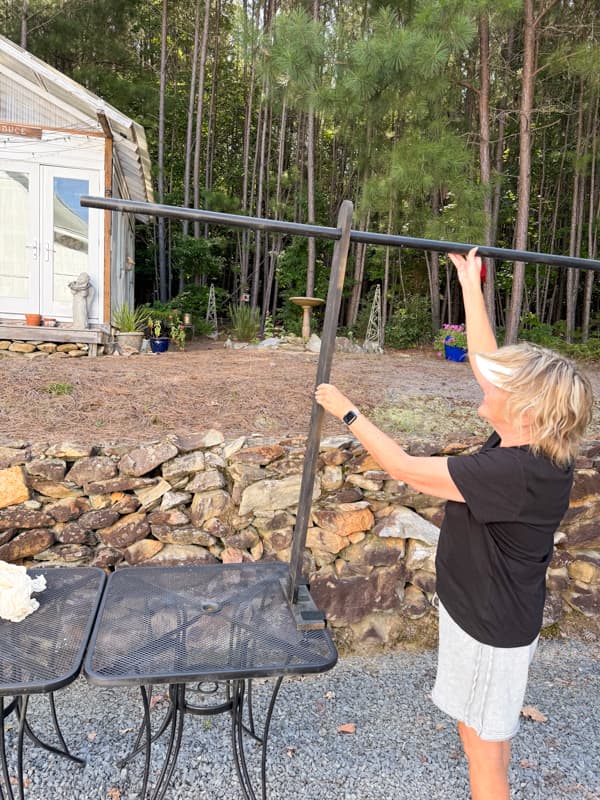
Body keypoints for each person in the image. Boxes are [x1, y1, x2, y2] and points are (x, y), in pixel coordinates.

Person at [315, 247, 593, 800]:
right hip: (484, 616)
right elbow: (488, 363)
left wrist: (346, 410)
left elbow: (399, 466)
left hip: (492, 629)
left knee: (485, 756)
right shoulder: (531, 447)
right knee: (480, 731)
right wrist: (470, 283)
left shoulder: (510, 471)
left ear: (526, 411)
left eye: (500, 390)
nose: (487, 387)